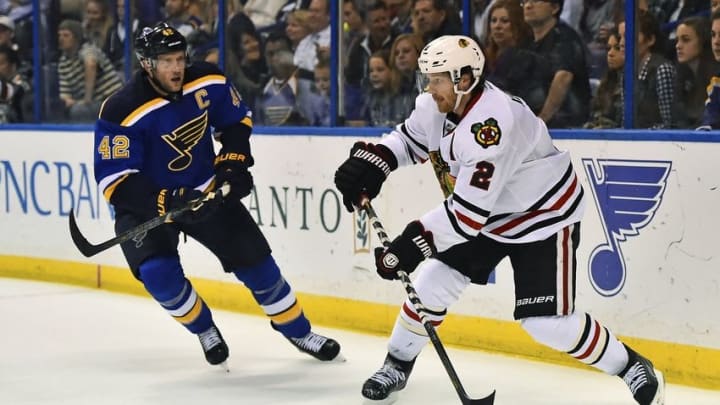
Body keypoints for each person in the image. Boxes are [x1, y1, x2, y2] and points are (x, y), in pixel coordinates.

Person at [334, 35, 665, 405]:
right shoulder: (436, 105)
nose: (429, 87)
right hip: (484, 214)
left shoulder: (492, 124)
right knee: (429, 285)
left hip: (542, 215)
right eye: (427, 78)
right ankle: (396, 364)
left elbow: (466, 216)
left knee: (547, 324)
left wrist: (411, 242)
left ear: (464, 79)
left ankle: (630, 365)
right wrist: (374, 162)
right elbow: (410, 140)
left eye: (437, 78)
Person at [92, 22, 342, 369]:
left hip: (205, 190)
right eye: (166, 61)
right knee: (157, 274)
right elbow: (116, 181)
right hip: (147, 204)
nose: (177, 68)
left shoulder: (207, 79)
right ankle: (204, 329)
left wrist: (232, 166)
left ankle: (298, 331)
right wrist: (165, 201)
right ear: (147, 64)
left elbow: (236, 123)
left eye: (180, 58)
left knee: (259, 266)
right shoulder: (121, 109)